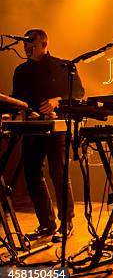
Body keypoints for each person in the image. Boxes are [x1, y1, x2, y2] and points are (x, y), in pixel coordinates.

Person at [11, 29, 84, 243]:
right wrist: (26, 111)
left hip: (57, 126)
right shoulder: (21, 71)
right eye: (25, 43)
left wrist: (57, 101)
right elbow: (17, 99)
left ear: (44, 43)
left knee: (58, 172)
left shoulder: (63, 66)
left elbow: (79, 93)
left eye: (31, 43)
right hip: (32, 127)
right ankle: (46, 223)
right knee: (33, 174)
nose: (26, 47)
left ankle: (67, 221)